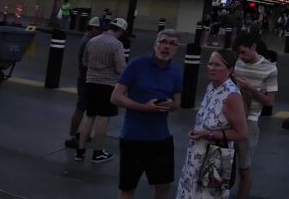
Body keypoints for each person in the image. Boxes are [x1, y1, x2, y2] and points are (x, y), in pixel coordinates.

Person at [110, 29, 183, 199]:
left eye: (172, 44)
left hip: (161, 138)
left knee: (163, 185)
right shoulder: (137, 65)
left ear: (176, 49)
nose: (167, 47)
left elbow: (177, 102)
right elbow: (116, 97)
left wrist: (171, 105)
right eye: (163, 41)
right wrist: (144, 107)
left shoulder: (176, 71)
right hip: (133, 138)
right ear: (155, 45)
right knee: (128, 187)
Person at [176, 50, 248, 199]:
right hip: (195, 157)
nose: (211, 68)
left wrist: (207, 134)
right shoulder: (211, 87)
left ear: (229, 69)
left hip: (217, 157)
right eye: (210, 63)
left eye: (217, 65)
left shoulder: (231, 95)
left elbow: (241, 133)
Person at [231, 33, 278, 199]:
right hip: (230, 118)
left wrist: (251, 89)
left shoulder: (270, 69)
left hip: (249, 122)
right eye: (238, 54)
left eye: (243, 52)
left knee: (244, 168)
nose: (241, 57)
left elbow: (269, 102)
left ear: (253, 47)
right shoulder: (238, 63)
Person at [76, 18, 128, 163]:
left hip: (90, 82)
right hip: (108, 84)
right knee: (103, 118)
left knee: (89, 115)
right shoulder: (117, 45)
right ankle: (98, 152)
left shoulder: (92, 41)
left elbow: (85, 61)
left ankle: (80, 151)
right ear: (120, 31)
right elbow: (120, 68)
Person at [66, 16, 102, 148]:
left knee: (86, 108)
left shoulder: (88, 39)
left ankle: (80, 134)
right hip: (86, 79)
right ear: (92, 28)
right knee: (81, 108)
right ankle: (72, 136)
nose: (100, 32)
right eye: (98, 29)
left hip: (85, 78)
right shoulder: (88, 42)